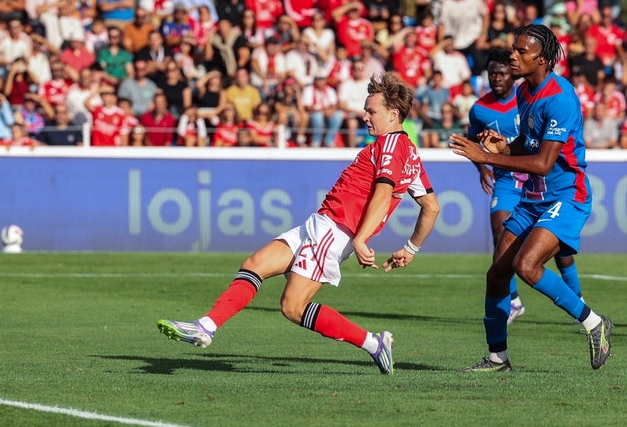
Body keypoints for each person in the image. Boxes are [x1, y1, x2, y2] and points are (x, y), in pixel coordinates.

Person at [157, 74, 440, 375]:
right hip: (321, 223)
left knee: (292, 306)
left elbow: (383, 194)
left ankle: (373, 344)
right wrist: (411, 248)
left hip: (335, 230)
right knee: (255, 263)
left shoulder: (391, 145)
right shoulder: (408, 152)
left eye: (371, 111)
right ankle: (206, 326)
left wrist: (361, 239)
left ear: (393, 114)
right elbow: (431, 207)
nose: (365, 116)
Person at [450, 24, 612, 372]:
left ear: (542, 58)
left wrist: (486, 157)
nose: (513, 55)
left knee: (526, 266)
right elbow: (530, 145)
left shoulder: (561, 99)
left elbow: (543, 163)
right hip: (534, 197)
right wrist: (503, 146)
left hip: (567, 196)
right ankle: (498, 358)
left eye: (521, 51)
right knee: (497, 274)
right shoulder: (525, 92)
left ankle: (594, 322)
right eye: (513, 48)